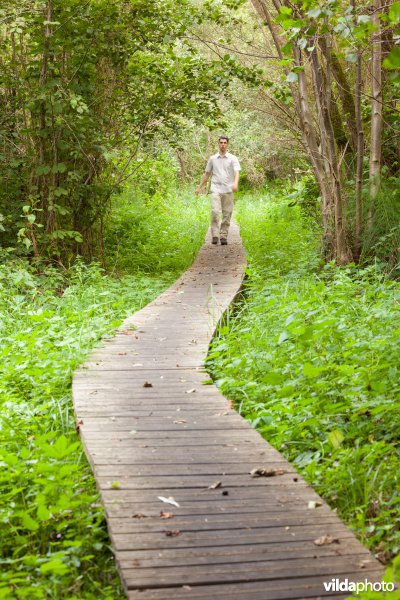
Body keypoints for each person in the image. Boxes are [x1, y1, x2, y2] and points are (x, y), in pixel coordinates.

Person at [195, 136, 240, 245]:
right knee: (215, 212)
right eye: (221, 142)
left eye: (225, 143)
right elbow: (207, 174)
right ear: (218, 144)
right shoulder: (212, 159)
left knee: (227, 214)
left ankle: (223, 236)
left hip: (228, 189)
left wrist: (235, 184)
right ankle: (215, 235)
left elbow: (237, 172)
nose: (223, 144)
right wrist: (199, 187)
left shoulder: (233, 158)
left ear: (227, 144)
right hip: (215, 189)